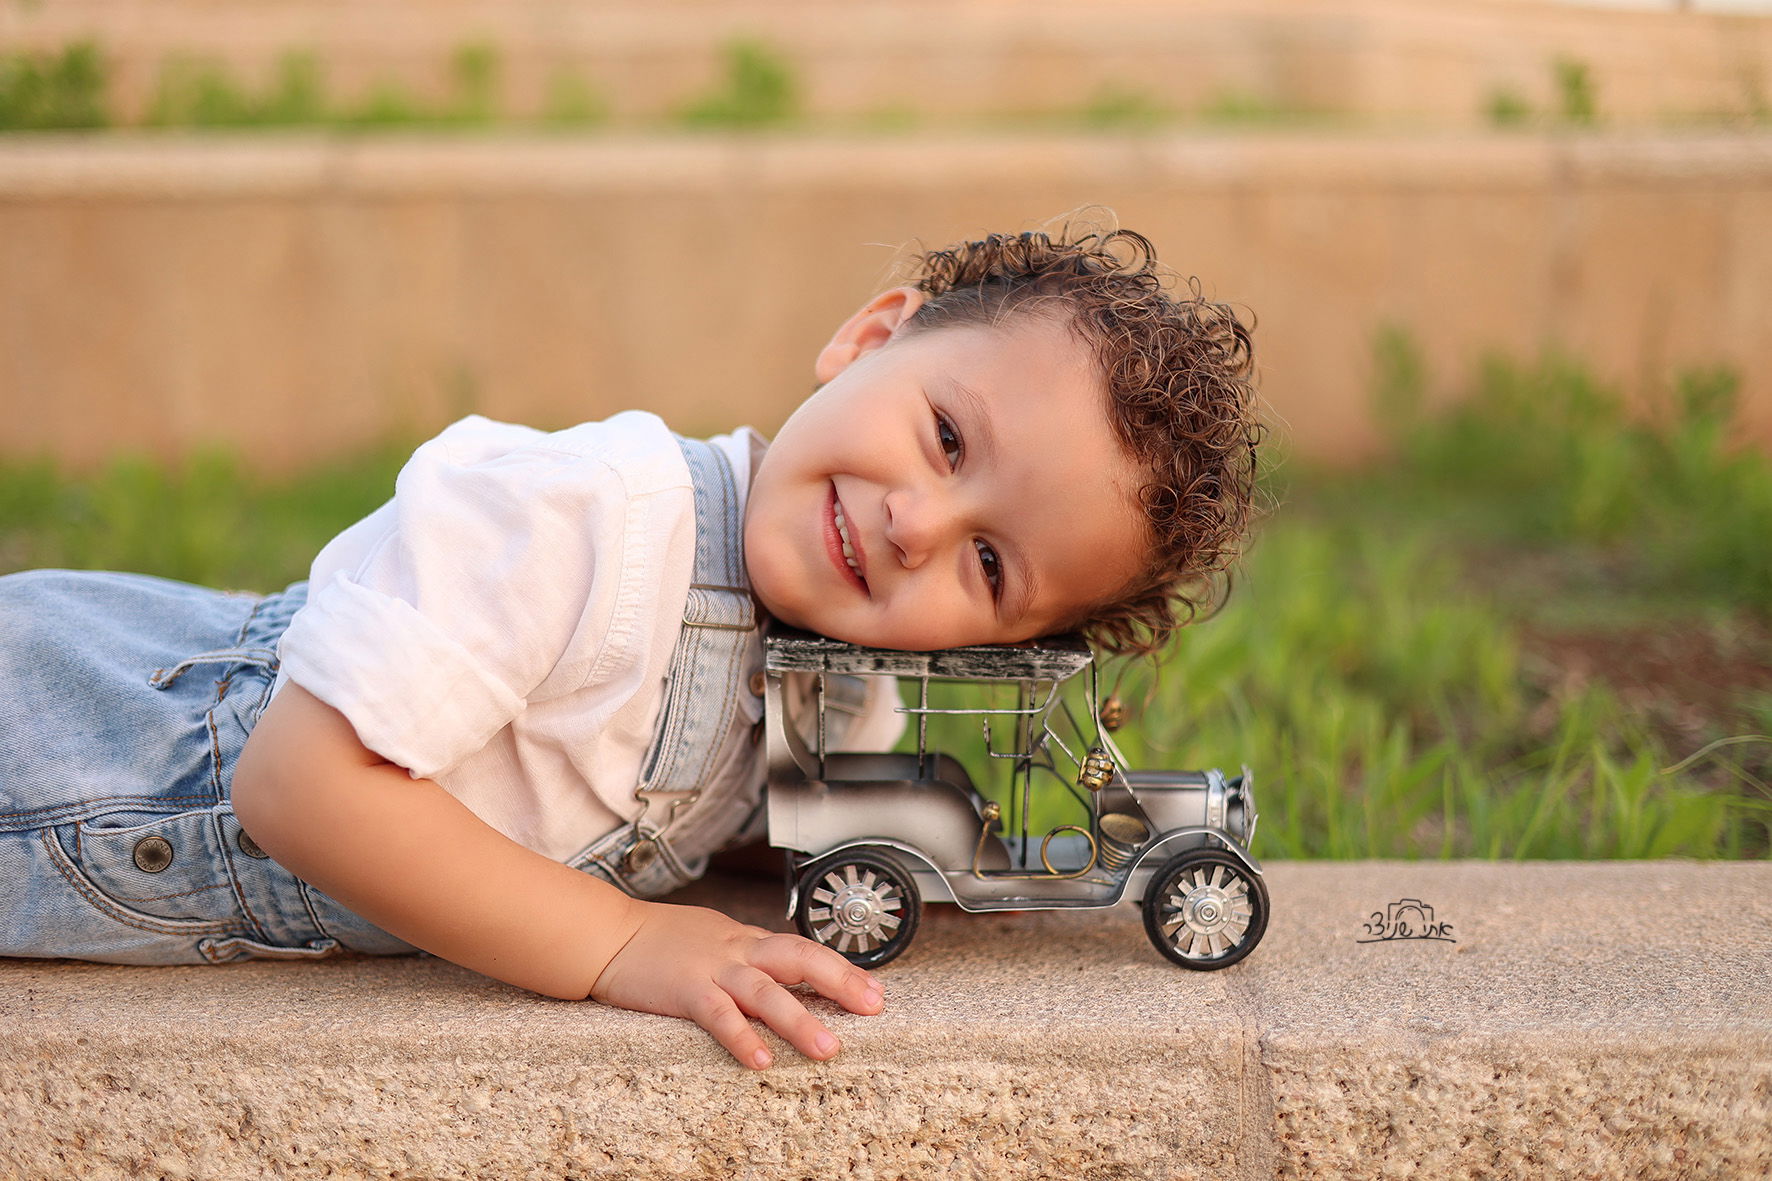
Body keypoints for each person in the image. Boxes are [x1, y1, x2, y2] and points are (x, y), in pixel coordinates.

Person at [0, 224, 1260, 1070]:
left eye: (990, 565)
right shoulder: (589, 513)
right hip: (64, 735)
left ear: (1007, 644)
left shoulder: (845, 692)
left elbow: (756, 821)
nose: (915, 523)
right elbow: (299, 787)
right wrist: (618, 942)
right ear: (871, 339)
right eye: (942, 435)